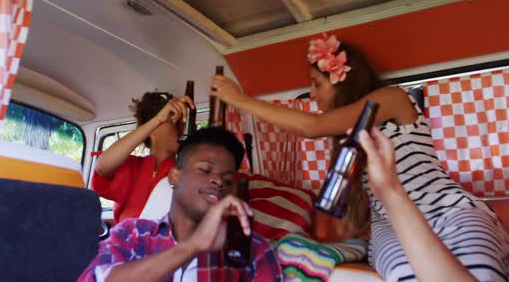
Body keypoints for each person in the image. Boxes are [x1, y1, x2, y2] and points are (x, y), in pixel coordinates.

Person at [210, 34, 509, 281]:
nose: (312, 95)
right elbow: (350, 217)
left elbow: (311, 127)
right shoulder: (345, 145)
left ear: (342, 81)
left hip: (447, 210)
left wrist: (240, 100)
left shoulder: (393, 99)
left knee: (480, 274)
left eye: (317, 84)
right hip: (388, 226)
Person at [78, 127, 283, 282]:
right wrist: (192, 246)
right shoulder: (133, 234)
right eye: (205, 170)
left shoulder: (253, 248)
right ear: (175, 176)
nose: (219, 182)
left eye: (227, 180)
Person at [360, 127, 475, 281]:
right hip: (388, 222)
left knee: (475, 264)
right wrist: (389, 191)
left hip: (449, 207)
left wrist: (390, 191)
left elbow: (317, 124)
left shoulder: (394, 102)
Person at [92, 91, 194, 222]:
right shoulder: (132, 167)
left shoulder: (185, 173)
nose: (182, 128)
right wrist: (158, 119)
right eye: (175, 121)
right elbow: (102, 167)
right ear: (154, 129)